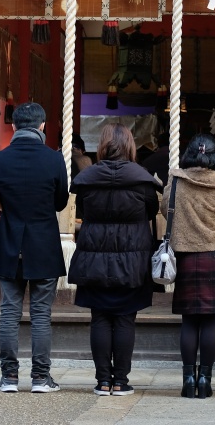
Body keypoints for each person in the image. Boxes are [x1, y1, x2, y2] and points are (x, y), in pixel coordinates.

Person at [0, 102, 70, 394]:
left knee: (9, 312)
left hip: (9, 241)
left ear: (14, 126)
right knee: (41, 314)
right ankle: (40, 378)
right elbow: (60, 202)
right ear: (42, 125)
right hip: (43, 242)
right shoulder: (54, 159)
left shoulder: (0, 159)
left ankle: (8, 378)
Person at [69, 123, 160, 396]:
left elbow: (83, 211)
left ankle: (103, 381)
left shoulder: (87, 178)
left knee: (99, 318)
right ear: (131, 146)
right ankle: (121, 381)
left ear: (102, 145)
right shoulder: (143, 180)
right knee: (124, 319)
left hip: (94, 256)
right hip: (132, 259)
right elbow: (152, 212)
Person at [166, 134, 215, 399]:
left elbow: (166, 209)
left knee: (189, 321)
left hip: (186, 256)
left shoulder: (176, 180)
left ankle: (187, 380)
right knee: (210, 321)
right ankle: (205, 380)